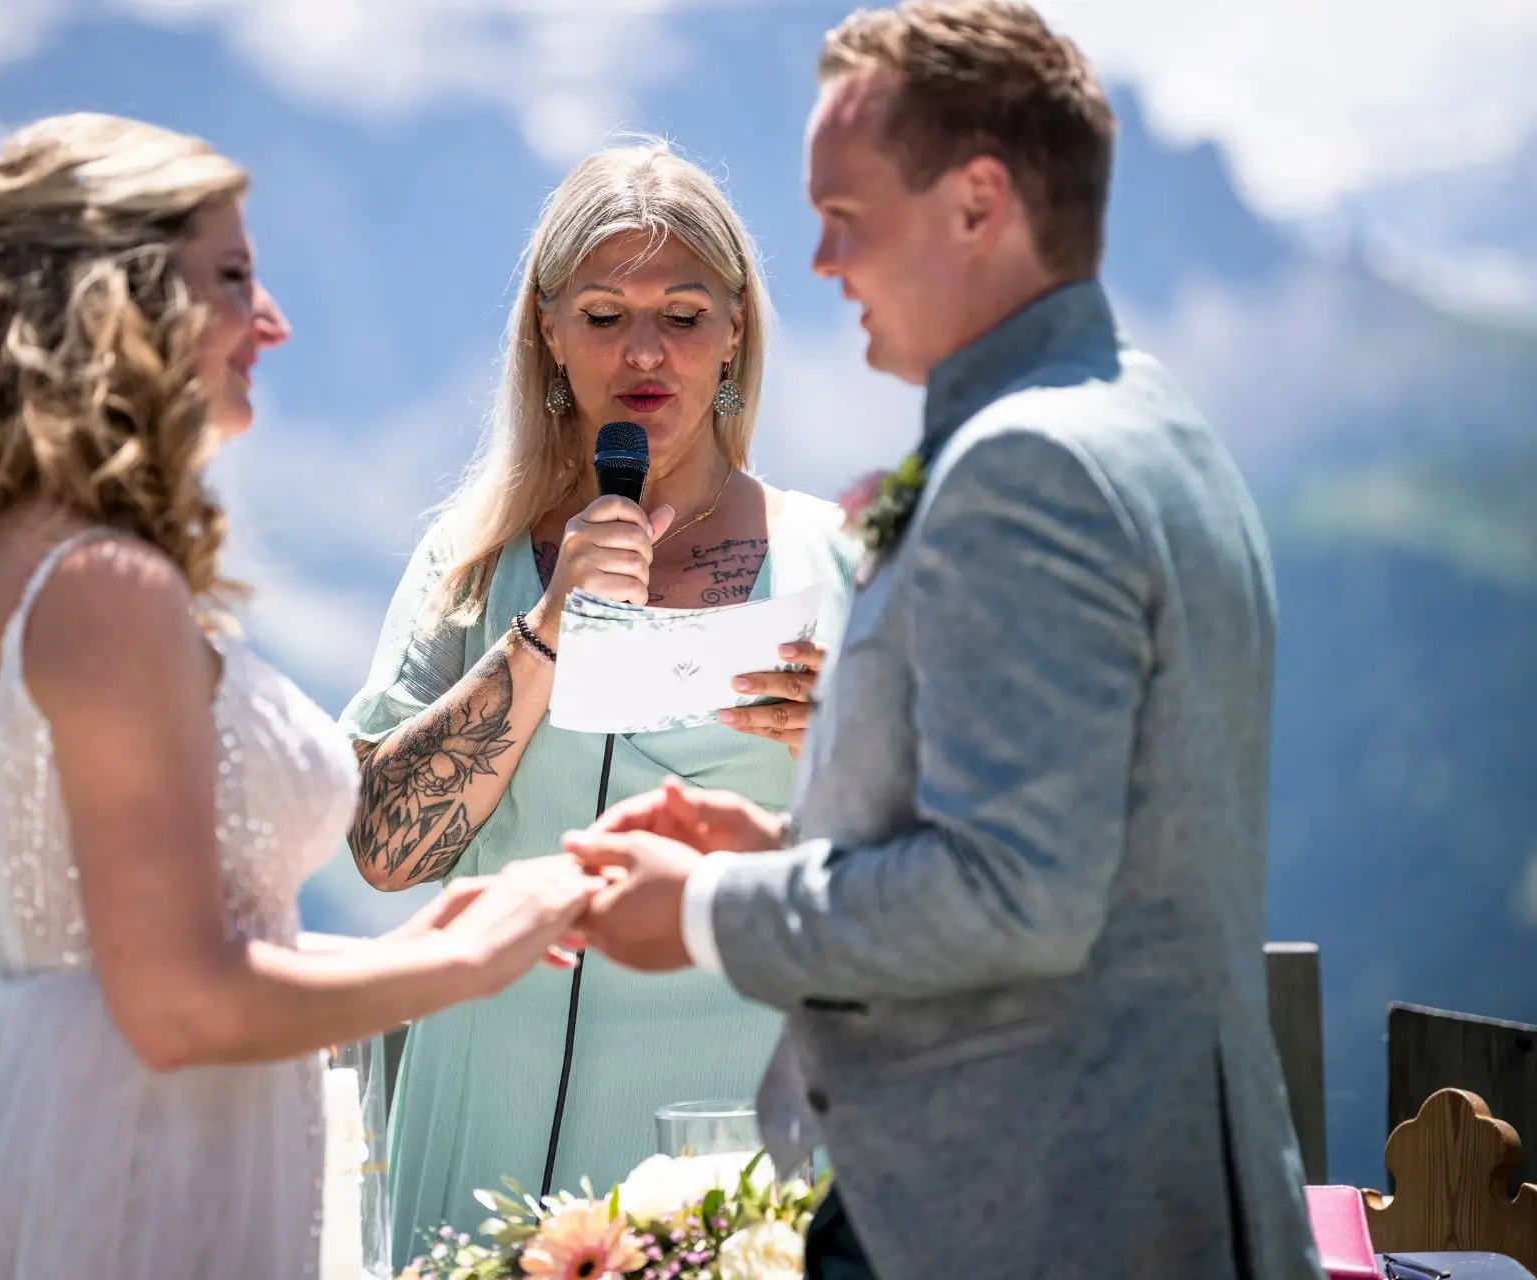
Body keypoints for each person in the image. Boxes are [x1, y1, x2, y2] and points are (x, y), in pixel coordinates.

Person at [565, 5, 1326, 1277]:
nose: (818, 260)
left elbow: (1012, 893)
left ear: (978, 204)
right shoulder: (1149, 420)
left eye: (845, 214)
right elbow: (1075, 845)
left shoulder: (1028, 467)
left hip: (1023, 1215)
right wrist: (797, 846)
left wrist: (702, 907)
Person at [0, 113, 598, 1280]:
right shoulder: (104, 586)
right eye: (234, 277)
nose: (272, 320)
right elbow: (178, 1001)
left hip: (75, 1135)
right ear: (119, 299)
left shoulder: (17, 555)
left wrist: (430, 932)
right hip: (128, 1177)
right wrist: (461, 966)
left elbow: (131, 949)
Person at [338, 139, 856, 1263]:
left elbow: (933, 870)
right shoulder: (471, 565)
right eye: (605, 314)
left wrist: (847, 751)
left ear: (736, 332)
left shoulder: (838, 560)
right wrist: (544, 631)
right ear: (549, 331)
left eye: (684, 314)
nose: (645, 351)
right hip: (487, 1138)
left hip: (735, 1157)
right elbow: (382, 848)